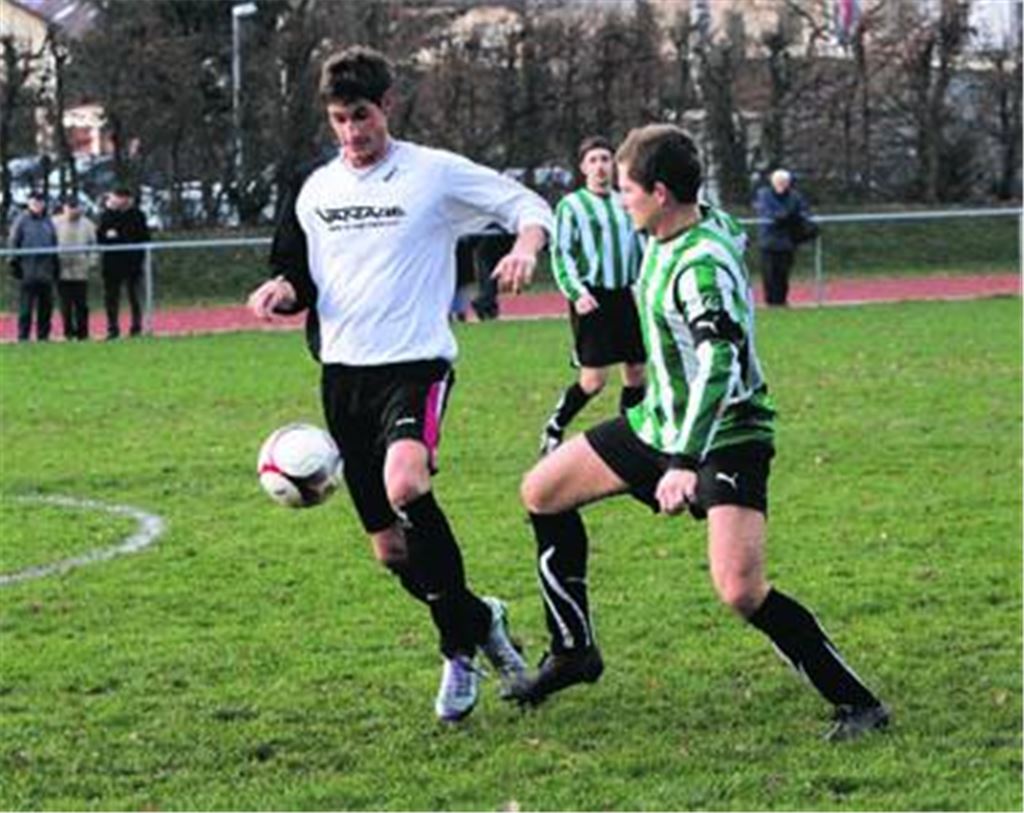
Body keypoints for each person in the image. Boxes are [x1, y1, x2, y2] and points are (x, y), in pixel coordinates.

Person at [507, 125, 889, 743]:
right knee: (542, 490)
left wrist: (684, 461)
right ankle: (574, 651)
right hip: (657, 422)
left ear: (659, 193)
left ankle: (859, 704)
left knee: (739, 589)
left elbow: (720, 361)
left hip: (727, 433)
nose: (619, 197)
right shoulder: (673, 225)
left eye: (628, 188)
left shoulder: (700, 266)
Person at [246, 45, 553, 723]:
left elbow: (524, 203)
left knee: (407, 484)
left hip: (415, 364)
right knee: (391, 549)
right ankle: (482, 618)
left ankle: (456, 654)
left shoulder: (432, 174)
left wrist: (526, 246)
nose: (353, 134)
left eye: (362, 116)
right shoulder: (315, 187)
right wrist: (280, 288)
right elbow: (298, 275)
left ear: (386, 107)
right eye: (339, 120)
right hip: (343, 376)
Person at [540, 135, 646, 456]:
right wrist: (576, 293)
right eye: (594, 160)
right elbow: (562, 254)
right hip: (592, 297)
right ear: (583, 167)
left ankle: (632, 436)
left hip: (623, 295)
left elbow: (642, 245)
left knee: (637, 370)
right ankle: (555, 426)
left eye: (606, 159)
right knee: (593, 380)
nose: (601, 166)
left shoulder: (625, 202)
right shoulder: (572, 205)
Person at [752, 168, 816, 307]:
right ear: (772, 182)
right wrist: (786, 216)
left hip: (787, 242)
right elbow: (769, 213)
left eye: (784, 182)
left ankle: (781, 302)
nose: (781, 184)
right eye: (778, 182)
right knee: (769, 275)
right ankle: (771, 302)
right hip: (768, 242)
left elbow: (803, 212)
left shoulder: (795, 196)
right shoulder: (764, 195)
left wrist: (790, 218)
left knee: (783, 274)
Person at [98, 186, 150, 338]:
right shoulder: (106, 215)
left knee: (134, 296)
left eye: (124, 198)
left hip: (132, 263)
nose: (121, 201)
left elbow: (144, 238)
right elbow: (101, 237)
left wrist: (137, 256)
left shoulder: (138, 215)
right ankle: (112, 328)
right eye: (118, 197)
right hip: (112, 264)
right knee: (111, 297)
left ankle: (136, 327)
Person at [8, 191, 59, 342]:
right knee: (26, 308)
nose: (38, 205)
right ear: (29, 203)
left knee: (46, 306)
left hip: (46, 272)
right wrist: (14, 264)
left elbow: (54, 242)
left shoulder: (48, 221)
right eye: (34, 202)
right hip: (27, 270)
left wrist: (55, 264)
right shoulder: (21, 221)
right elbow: (13, 242)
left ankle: (43, 336)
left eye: (40, 202)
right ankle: (23, 336)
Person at [53, 195, 98, 340]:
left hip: (80, 270)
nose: (73, 210)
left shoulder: (87, 224)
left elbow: (94, 245)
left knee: (81, 304)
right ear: (64, 208)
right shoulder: (55, 223)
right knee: (65, 305)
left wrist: (91, 262)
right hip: (61, 270)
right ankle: (68, 333)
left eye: (75, 207)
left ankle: (83, 333)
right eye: (70, 207)